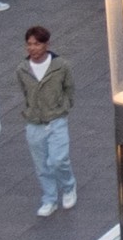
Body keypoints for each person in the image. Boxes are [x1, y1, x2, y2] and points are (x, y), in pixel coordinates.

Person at [18, 28, 78, 219]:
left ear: (46, 44)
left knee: (58, 160)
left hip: (56, 119)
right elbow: (25, 92)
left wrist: (63, 107)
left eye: (37, 44)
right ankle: (49, 198)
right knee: (41, 165)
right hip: (34, 122)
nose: (32, 48)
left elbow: (69, 88)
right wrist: (31, 110)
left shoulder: (61, 66)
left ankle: (69, 187)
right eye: (29, 44)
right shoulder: (22, 69)